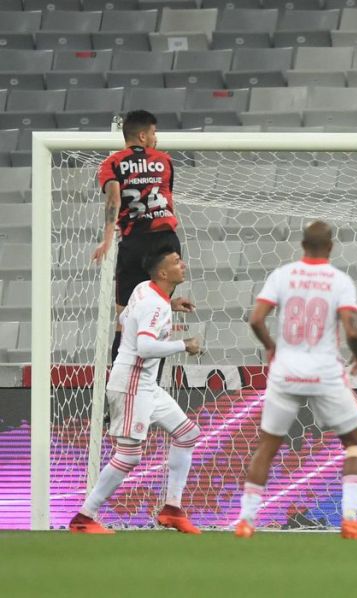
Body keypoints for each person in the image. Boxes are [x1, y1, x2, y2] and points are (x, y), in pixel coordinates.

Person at [235, 221, 357, 540]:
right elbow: (352, 329)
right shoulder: (339, 281)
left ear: (302, 245)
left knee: (267, 447)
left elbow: (256, 318)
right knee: (355, 442)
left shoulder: (282, 275)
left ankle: (246, 521)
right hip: (324, 373)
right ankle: (350, 520)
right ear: (330, 247)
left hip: (285, 371)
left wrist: (271, 346)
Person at [68, 246, 203, 534]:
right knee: (129, 456)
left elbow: (123, 320)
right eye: (177, 262)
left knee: (187, 433)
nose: (183, 265)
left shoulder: (145, 289)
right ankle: (84, 517)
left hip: (145, 384)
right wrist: (184, 344)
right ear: (164, 273)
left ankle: (173, 508)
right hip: (131, 383)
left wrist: (170, 304)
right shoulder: (154, 303)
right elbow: (144, 347)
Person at [93, 110, 192, 361]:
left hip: (134, 240)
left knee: (124, 316)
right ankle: (151, 386)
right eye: (154, 133)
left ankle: (119, 377)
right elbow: (167, 199)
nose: (155, 138)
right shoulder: (165, 161)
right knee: (158, 311)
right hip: (165, 240)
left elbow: (113, 199)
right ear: (142, 135)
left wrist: (106, 240)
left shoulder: (112, 164)